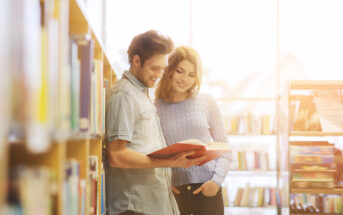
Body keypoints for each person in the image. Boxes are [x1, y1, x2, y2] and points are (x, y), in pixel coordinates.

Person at [105, 30, 207, 215]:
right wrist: (171, 162)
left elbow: (141, 148)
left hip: (153, 205)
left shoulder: (143, 95)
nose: (159, 74)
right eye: (154, 68)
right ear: (136, 61)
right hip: (134, 207)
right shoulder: (124, 94)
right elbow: (117, 155)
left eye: (163, 68)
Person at [155, 46, 231, 215]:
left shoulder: (207, 102)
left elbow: (225, 147)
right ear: (169, 71)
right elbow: (154, 152)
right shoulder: (155, 108)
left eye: (191, 74)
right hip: (174, 193)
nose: (185, 79)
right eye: (180, 71)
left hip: (208, 189)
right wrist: (164, 183)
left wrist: (216, 182)